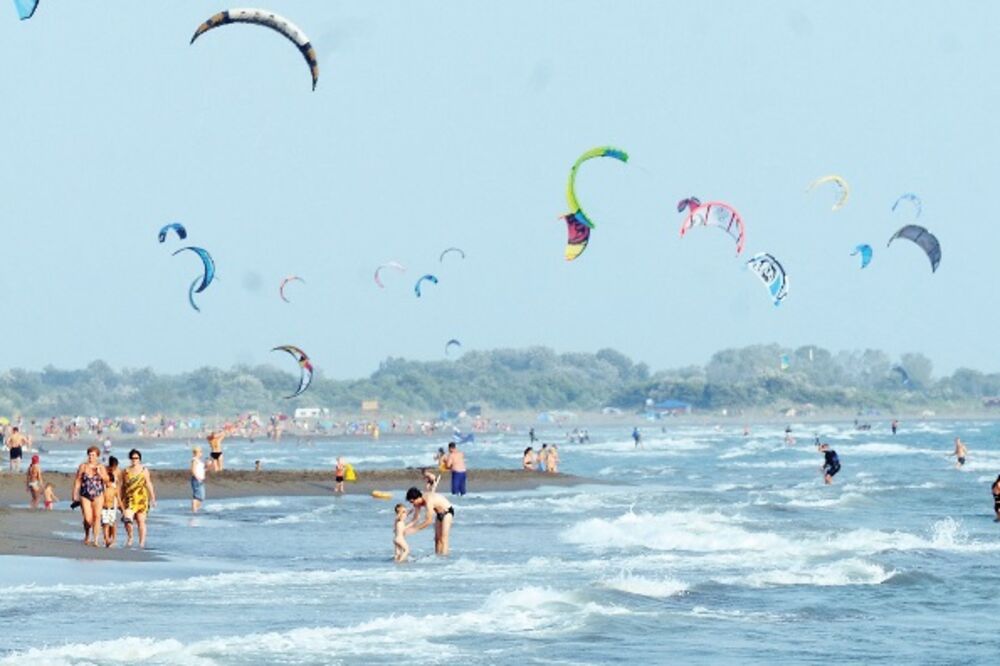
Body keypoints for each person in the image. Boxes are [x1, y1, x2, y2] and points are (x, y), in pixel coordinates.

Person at [71, 446, 110, 547]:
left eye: (93, 455)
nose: (91, 457)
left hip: (98, 495)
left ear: (97, 456)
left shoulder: (101, 467)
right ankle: (87, 534)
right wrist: (74, 494)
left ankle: (96, 540)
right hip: (85, 494)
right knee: (88, 519)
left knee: (97, 517)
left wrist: (100, 474)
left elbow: (107, 480)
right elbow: (78, 480)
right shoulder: (83, 466)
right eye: (89, 455)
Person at [122, 449, 156, 549]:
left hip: (141, 498)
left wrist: (153, 497)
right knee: (127, 519)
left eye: (136, 458)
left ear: (139, 459)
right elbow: (123, 486)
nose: (134, 460)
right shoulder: (126, 471)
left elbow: (148, 483)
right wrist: (121, 499)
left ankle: (141, 542)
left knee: (141, 521)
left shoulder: (144, 470)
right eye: (132, 458)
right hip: (130, 499)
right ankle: (130, 537)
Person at [405, 487, 454, 556]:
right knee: (437, 539)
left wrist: (415, 529)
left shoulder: (428, 500)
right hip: (439, 514)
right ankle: (437, 557)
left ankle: (444, 558)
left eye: (412, 502)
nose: (413, 504)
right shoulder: (417, 503)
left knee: (443, 538)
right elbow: (415, 519)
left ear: (418, 498)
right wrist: (405, 528)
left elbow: (429, 521)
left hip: (447, 512)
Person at [101, 468, 120, 547]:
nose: (108, 483)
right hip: (104, 509)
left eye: (109, 481)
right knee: (105, 525)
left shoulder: (114, 490)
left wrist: (122, 509)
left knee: (112, 524)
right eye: (106, 481)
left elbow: (119, 500)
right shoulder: (103, 490)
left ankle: (113, 539)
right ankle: (106, 539)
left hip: (112, 509)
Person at [190, 446, 207, 513]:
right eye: (200, 452)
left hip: (200, 479)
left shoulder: (199, 461)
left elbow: (202, 469)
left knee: (201, 497)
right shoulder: (194, 460)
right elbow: (193, 470)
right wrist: (197, 477)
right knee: (198, 496)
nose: (201, 453)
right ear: (197, 453)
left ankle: (195, 509)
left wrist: (207, 467)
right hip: (196, 480)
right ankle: (194, 509)